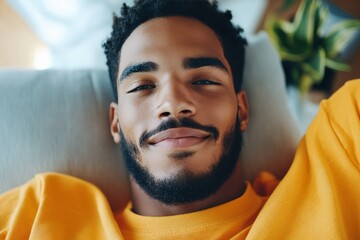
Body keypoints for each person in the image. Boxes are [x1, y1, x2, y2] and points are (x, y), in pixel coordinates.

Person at [0, 0, 359, 239]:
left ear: (243, 109)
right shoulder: (41, 214)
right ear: (114, 122)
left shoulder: (340, 155)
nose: (173, 103)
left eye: (204, 80)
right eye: (142, 86)